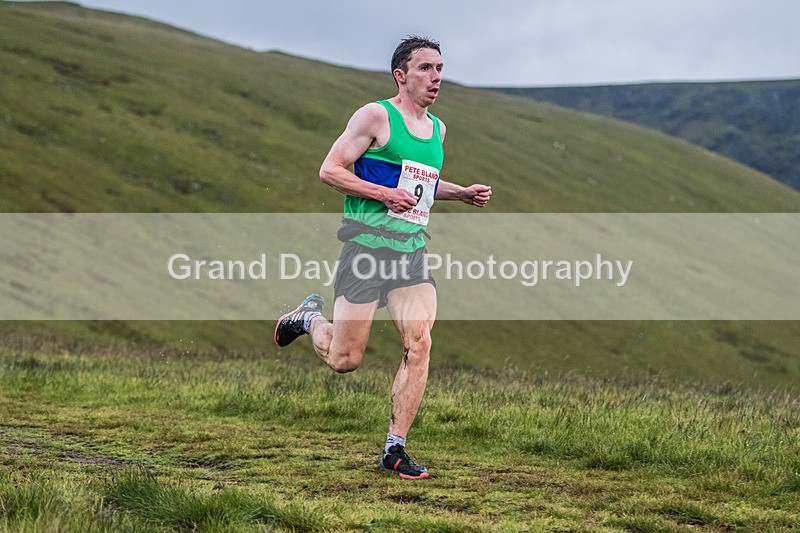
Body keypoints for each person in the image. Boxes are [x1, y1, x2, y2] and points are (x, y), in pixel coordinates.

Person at [274, 36, 492, 480]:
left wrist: (460, 193)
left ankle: (395, 449)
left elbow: (420, 185)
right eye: (426, 68)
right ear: (401, 75)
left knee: (420, 342)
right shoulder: (375, 116)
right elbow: (330, 169)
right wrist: (379, 194)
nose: (436, 77)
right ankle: (308, 319)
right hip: (365, 251)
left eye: (440, 68)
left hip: (410, 253)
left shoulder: (438, 129)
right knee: (344, 360)